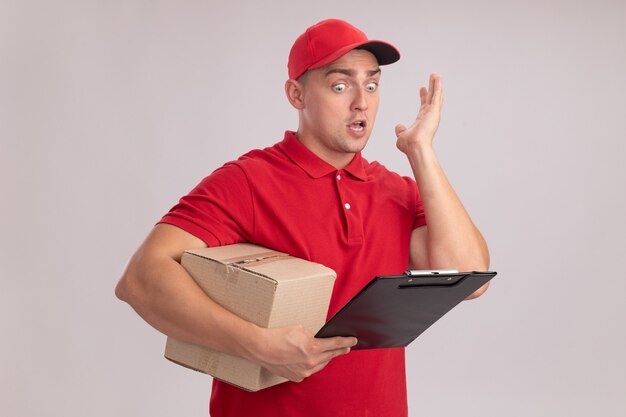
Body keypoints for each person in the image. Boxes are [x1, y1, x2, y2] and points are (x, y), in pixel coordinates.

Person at [116, 18, 490, 417]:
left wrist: (421, 153)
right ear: (296, 94)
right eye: (340, 85)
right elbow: (141, 278)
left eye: (372, 84)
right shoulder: (248, 180)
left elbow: (468, 279)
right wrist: (257, 344)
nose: (361, 102)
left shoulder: (397, 190)